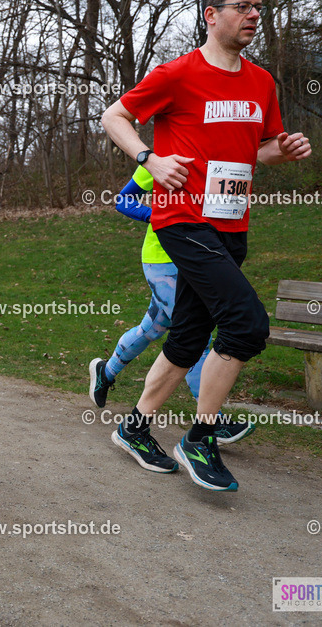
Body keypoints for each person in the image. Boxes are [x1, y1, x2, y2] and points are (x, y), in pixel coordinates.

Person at [99, 0, 311, 491]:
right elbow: (114, 116)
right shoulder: (176, 74)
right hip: (183, 221)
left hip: (231, 223)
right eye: (242, 7)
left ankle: (134, 427)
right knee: (246, 325)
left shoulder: (262, 83)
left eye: (258, 7)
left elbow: (254, 151)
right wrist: (150, 156)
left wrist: (279, 152)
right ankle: (200, 437)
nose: (253, 15)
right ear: (211, 14)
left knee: (190, 335)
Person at [89, 166, 254, 445]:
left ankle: (105, 372)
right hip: (162, 260)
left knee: (153, 327)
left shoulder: (216, 162)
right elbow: (123, 200)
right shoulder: (160, 160)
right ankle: (212, 421)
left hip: (201, 258)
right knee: (195, 333)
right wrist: (157, 216)